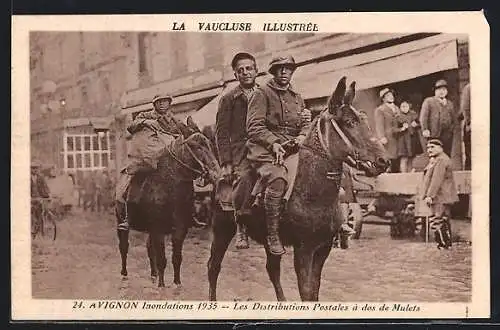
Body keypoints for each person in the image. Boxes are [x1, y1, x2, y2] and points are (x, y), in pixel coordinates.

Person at [246, 55, 312, 255]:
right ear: (273, 72)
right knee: (278, 179)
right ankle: (273, 234)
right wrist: (273, 142)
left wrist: (302, 135)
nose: (284, 72)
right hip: (264, 148)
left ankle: (333, 222)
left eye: (288, 69)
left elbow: (305, 124)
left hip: (292, 147)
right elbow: (254, 127)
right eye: (280, 69)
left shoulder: (297, 97)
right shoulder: (261, 93)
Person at [116, 93, 180, 231]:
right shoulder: (145, 116)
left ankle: (188, 214)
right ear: (155, 105)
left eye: (165, 102)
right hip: (144, 157)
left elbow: (180, 134)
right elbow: (131, 127)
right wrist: (145, 122)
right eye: (159, 102)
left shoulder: (173, 120)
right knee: (136, 180)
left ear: (169, 103)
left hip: (166, 159)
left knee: (182, 182)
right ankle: (129, 217)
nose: (163, 104)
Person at [215, 52, 259, 249]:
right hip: (242, 151)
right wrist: (226, 162)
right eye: (240, 70)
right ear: (235, 75)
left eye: (249, 68)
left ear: (256, 70)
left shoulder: (266, 93)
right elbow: (222, 133)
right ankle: (242, 226)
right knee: (243, 179)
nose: (245, 73)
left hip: (266, 146)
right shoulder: (228, 99)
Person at [421, 139, 459, 249]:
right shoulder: (437, 159)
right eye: (428, 148)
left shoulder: (441, 160)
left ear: (440, 148)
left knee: (437, 220)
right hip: (443, 196)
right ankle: (447, 245)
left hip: (440, 196)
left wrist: (430, 195)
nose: (429, 150)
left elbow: (436, 179)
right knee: (443, 219)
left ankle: (442, 246)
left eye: (432, 147)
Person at [420, 79, 457, 157]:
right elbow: (423, 117)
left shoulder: (450, 103)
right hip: (434, 134)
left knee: (446, 154)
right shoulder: (429, 101)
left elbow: (454, 119)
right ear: (435, 91)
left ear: (446, 91)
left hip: (447, 135)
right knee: (434, 155)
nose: (441, 92)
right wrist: (425, 129)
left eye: (444, 89)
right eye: (439, 89)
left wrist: (451, 129)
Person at [374, 88, 401, 173]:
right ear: (383, 98)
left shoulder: (396, 108)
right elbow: (379, 124)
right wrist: (382, 137)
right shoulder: (380, 110)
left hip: (398, 136)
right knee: (389, 157)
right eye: (388, 96)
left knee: (398, 157)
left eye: (391, 95)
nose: (391, 97)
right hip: (388, 137)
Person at [395, 100, 423, 172]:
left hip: (412, 139)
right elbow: (393, 129)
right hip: (403, 140)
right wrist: (402, 128)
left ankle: (409, 174)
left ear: (409, 107)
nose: (404, 108)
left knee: (411, 157)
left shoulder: (413, 114)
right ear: (400, 107)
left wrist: (416, 125)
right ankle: (404, 175)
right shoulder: (397, 116)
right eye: (402, 106)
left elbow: (420, 125)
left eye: (406, 106)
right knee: (404, 158)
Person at [31, 160, 51, 226]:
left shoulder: (41, 177)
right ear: (30, 169)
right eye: (33, 168)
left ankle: (41, 231)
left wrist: (48, 195)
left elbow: (45, 187)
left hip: (39, 198)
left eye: (36, 168)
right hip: (31, 199)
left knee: (40, 214)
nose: (35, 170)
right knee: (31, 215)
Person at [460, 83, 471, 170]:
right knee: (469, 153)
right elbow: (465, 107)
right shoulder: (469, 88)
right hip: (471, 126)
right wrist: (468, 122)